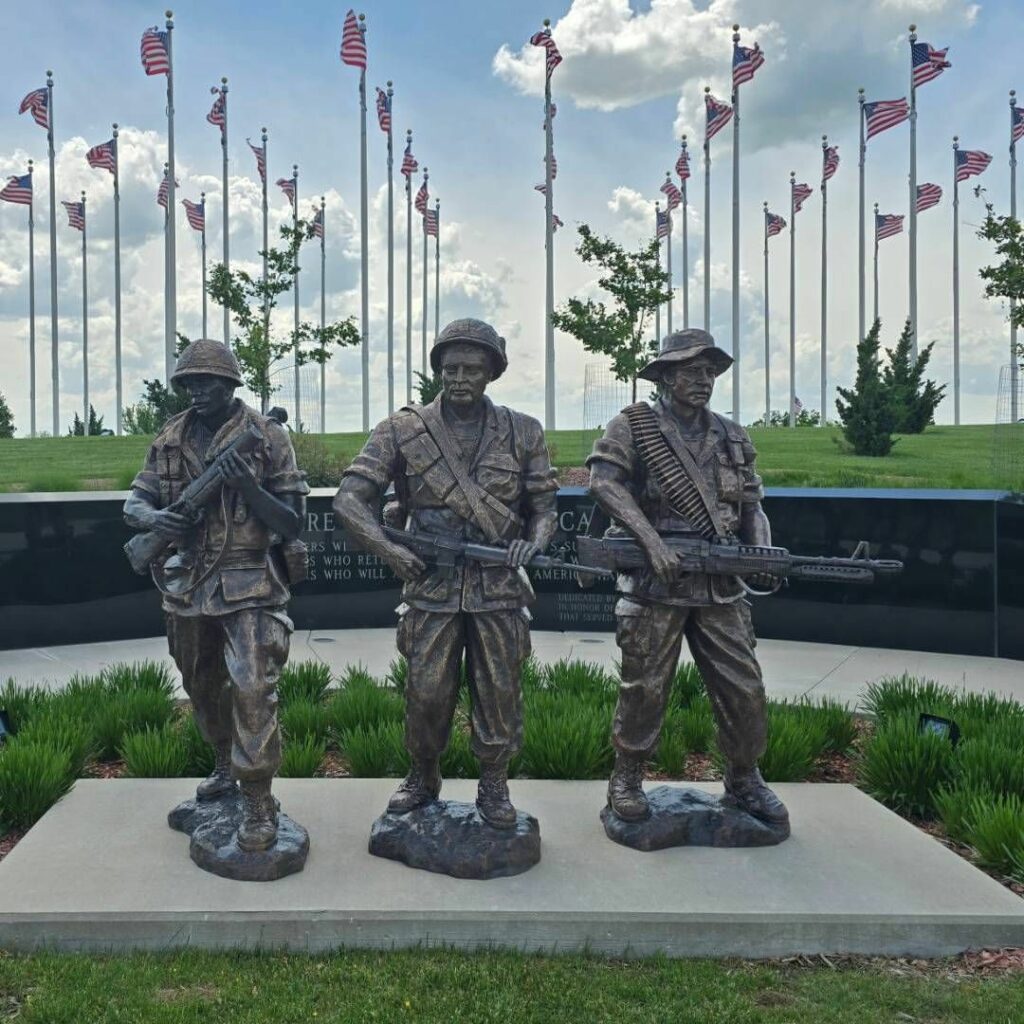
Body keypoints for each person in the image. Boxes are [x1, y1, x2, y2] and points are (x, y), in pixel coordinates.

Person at [333, 318, 558, 828]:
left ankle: (495, 786)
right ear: (438, 369)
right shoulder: (402, 429)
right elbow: (350, 501)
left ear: (491, 373)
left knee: (500, 691)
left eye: (472, 369)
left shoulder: (523, 431)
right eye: (450, 367)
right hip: (432, 588)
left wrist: (534, 541)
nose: (460, 378)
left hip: (498, 586)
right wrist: (390, 552)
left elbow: (545, 508)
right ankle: (422, 775)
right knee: (427, 691)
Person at [586, 328, 788, 827]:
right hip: (656, 584)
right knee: (645, 687)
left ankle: (744, 777)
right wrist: (651, 543)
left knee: (744, 687)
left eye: (709, 372)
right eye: (691, 371)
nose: (703, 380)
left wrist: (758, 551)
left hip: (719, 585)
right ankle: (627, 776)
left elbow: (751, 506)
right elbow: (603, 484)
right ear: (666, 375)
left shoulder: (732, 434)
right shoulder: (633, 426)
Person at [123, 339, 309, 852]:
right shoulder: (169, 438)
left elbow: (294, 523)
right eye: (189, 383)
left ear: (230, 385)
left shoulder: (266, 437)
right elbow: (134, 501)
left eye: (207, 383)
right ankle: (224, 766)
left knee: (252, 692)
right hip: (187, 585)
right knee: (202, 688)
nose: (197, 392)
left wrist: (250, 488)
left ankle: (257, 799)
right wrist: (156, 518)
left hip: (249, 582)